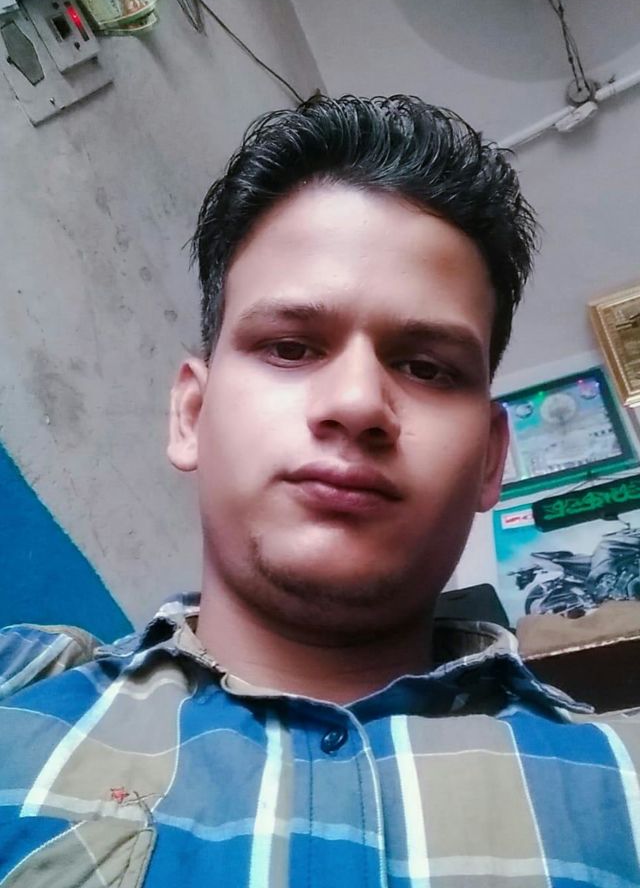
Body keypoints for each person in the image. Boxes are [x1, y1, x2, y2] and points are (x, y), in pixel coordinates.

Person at [0, 95, 638, 888]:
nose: (358, 402)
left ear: (488, 461)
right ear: (192, 415)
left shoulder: (626, 789)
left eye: (426, 367)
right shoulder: (18, 702)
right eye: (291, 347)